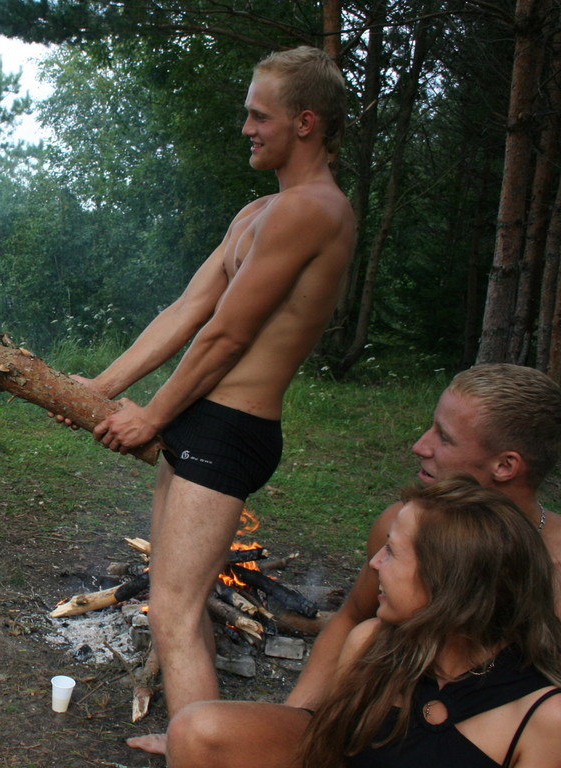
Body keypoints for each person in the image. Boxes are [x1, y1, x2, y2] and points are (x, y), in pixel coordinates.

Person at [66, 46, 354, 753]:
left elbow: (228, 336)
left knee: (173, 605)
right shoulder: (259, 211)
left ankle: (212, 753)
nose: (247, 126)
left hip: (230, 428)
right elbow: (187, 311)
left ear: (306, 122)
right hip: (203, 419)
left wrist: (152, 416)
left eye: (261, 115)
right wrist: (104, 388)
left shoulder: (314, 211)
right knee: (176, 595)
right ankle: (193, 738)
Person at [167, 363, 561, 766]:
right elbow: (352, 617)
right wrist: (299, 717)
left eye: (444, 437)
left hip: (481, 741)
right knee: (202, 731)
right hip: (377, 726)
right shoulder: (401, 524)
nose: (420, 446)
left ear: (506, 466)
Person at [298, 476, 561, 767]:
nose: (375, 563)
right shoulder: (370, 646)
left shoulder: (544, 717)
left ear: (447, 583)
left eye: (392, 551)